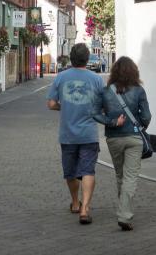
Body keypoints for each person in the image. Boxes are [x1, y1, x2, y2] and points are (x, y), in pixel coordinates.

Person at [47, 43, 105, 225]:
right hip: (89, 134)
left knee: (70, 172)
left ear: (71, 58)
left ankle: (74, 203)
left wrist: (64, 107)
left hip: (68, 134)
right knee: (88, 170)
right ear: (87, 59)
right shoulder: (96, 79)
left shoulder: (61, 77)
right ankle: (85, 208)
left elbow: (51, 104)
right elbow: (103, 105)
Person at [92, 56, 152, 231]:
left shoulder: (105, 91)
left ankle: (124, 209)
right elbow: (147, 116)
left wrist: (112, 122)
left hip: (113, 138)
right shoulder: (139, 91)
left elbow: (94, 113)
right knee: (130, 177)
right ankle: (124, 214)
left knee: (120, 175)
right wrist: (140, 125)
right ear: (134, 72)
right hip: (134, 138)